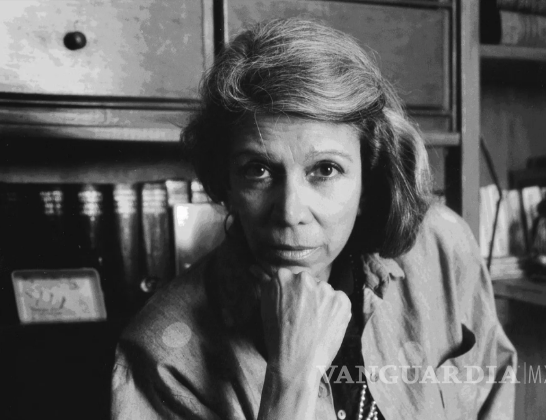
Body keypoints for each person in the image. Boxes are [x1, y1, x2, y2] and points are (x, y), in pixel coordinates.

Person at [111, 18, 517, 420]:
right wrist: (291, 379)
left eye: (325, 170)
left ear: (369, 178)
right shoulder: (160, 358)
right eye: (257, 170)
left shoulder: (443, 245)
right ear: (226, 184)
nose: (290, 213)